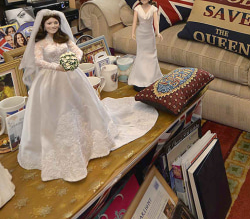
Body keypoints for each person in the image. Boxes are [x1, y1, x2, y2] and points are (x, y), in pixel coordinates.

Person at [17, 10, 157, 182]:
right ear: (43, 26)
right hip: (50, 79)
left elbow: (77, 50)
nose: (53, 26)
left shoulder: (64, 39)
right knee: (55, 111)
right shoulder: (40, 43)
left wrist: (74, 59)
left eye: (55, 23)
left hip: (72, 75)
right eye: (49, 23)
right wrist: (56, 66)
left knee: (82, 103)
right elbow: (38, 61)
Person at [129, 0, 163, 89]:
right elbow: (135, 22)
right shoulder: (137, 9)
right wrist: (132, 33)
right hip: (141, 34)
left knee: (151, 55)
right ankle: (140, 79)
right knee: (141, 55)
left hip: (150, 35)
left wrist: (158, 32)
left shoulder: (153, 9)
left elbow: (156, 22)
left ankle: (152, 77)